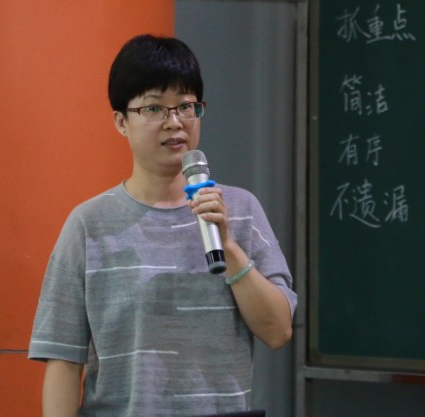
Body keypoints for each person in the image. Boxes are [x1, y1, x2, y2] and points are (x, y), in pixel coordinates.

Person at [28, 34, 297, 417]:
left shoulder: (240, 210)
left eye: (186, 106)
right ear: (121, 122)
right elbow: (63, 358)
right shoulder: (89, 224)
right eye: (154, 108)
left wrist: (228, 246)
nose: (175, 122)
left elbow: (278, 331)